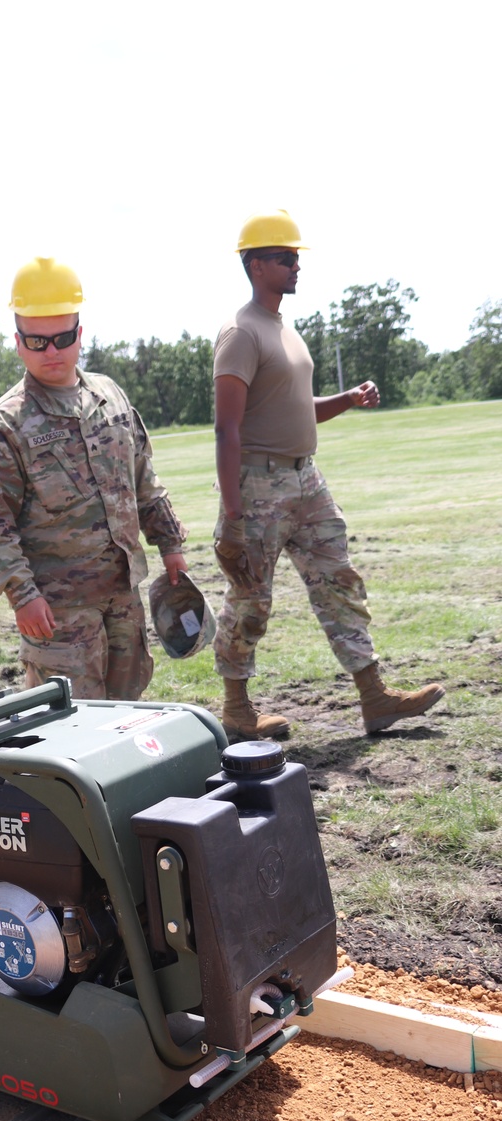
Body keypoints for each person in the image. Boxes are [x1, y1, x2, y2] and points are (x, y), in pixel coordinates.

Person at [212, 210, 445, 741]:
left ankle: (375, 698)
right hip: (259, 487)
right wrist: (231, 516)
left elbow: (295, 407)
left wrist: (348, 399)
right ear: (254, 266)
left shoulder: (283, 330)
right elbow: (227, 429)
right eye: (284, 258)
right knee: (251, 596)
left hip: (306, 482)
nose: (296, 265)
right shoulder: (241, 333)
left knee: (340, 581)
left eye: (296, 256)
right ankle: (236, 711)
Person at [0, 257, 190, 699]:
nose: (52, 351)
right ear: (18, 343)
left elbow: (143, 480)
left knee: (126, 712)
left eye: (63, 338)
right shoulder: (3, 424)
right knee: (69, 726)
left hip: (123, 596)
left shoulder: (111, 397)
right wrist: (22, 595)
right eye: (37, 341)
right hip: (57, 612)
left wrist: (171, 545)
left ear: (80, 334)